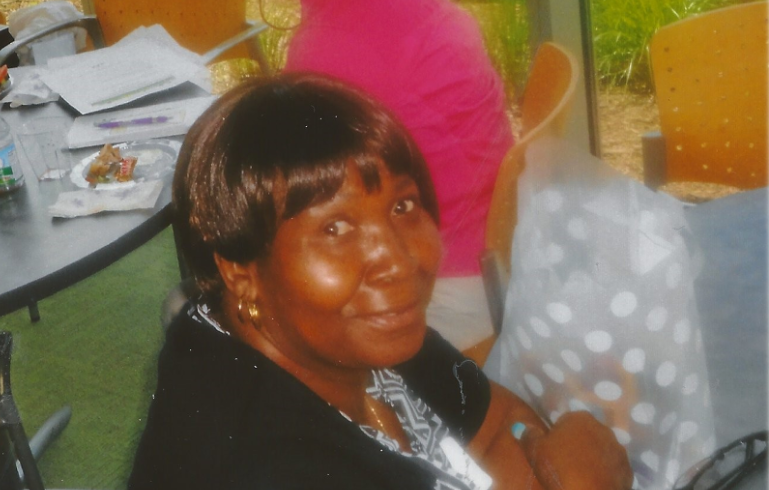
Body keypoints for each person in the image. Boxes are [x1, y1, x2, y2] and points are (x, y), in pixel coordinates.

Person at [128, 73, 631, 490]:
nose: (399, 259)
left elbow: (501, 424)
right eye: (335, 229)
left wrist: (546, 457)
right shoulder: (262, 466)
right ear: (240, 272)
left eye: (402, 205)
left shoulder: (351, 336)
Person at [282, 0, 515, 350]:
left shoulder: (330, 44)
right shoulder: (422, 10)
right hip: (499, 254)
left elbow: (295, 181)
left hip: (444, 292)